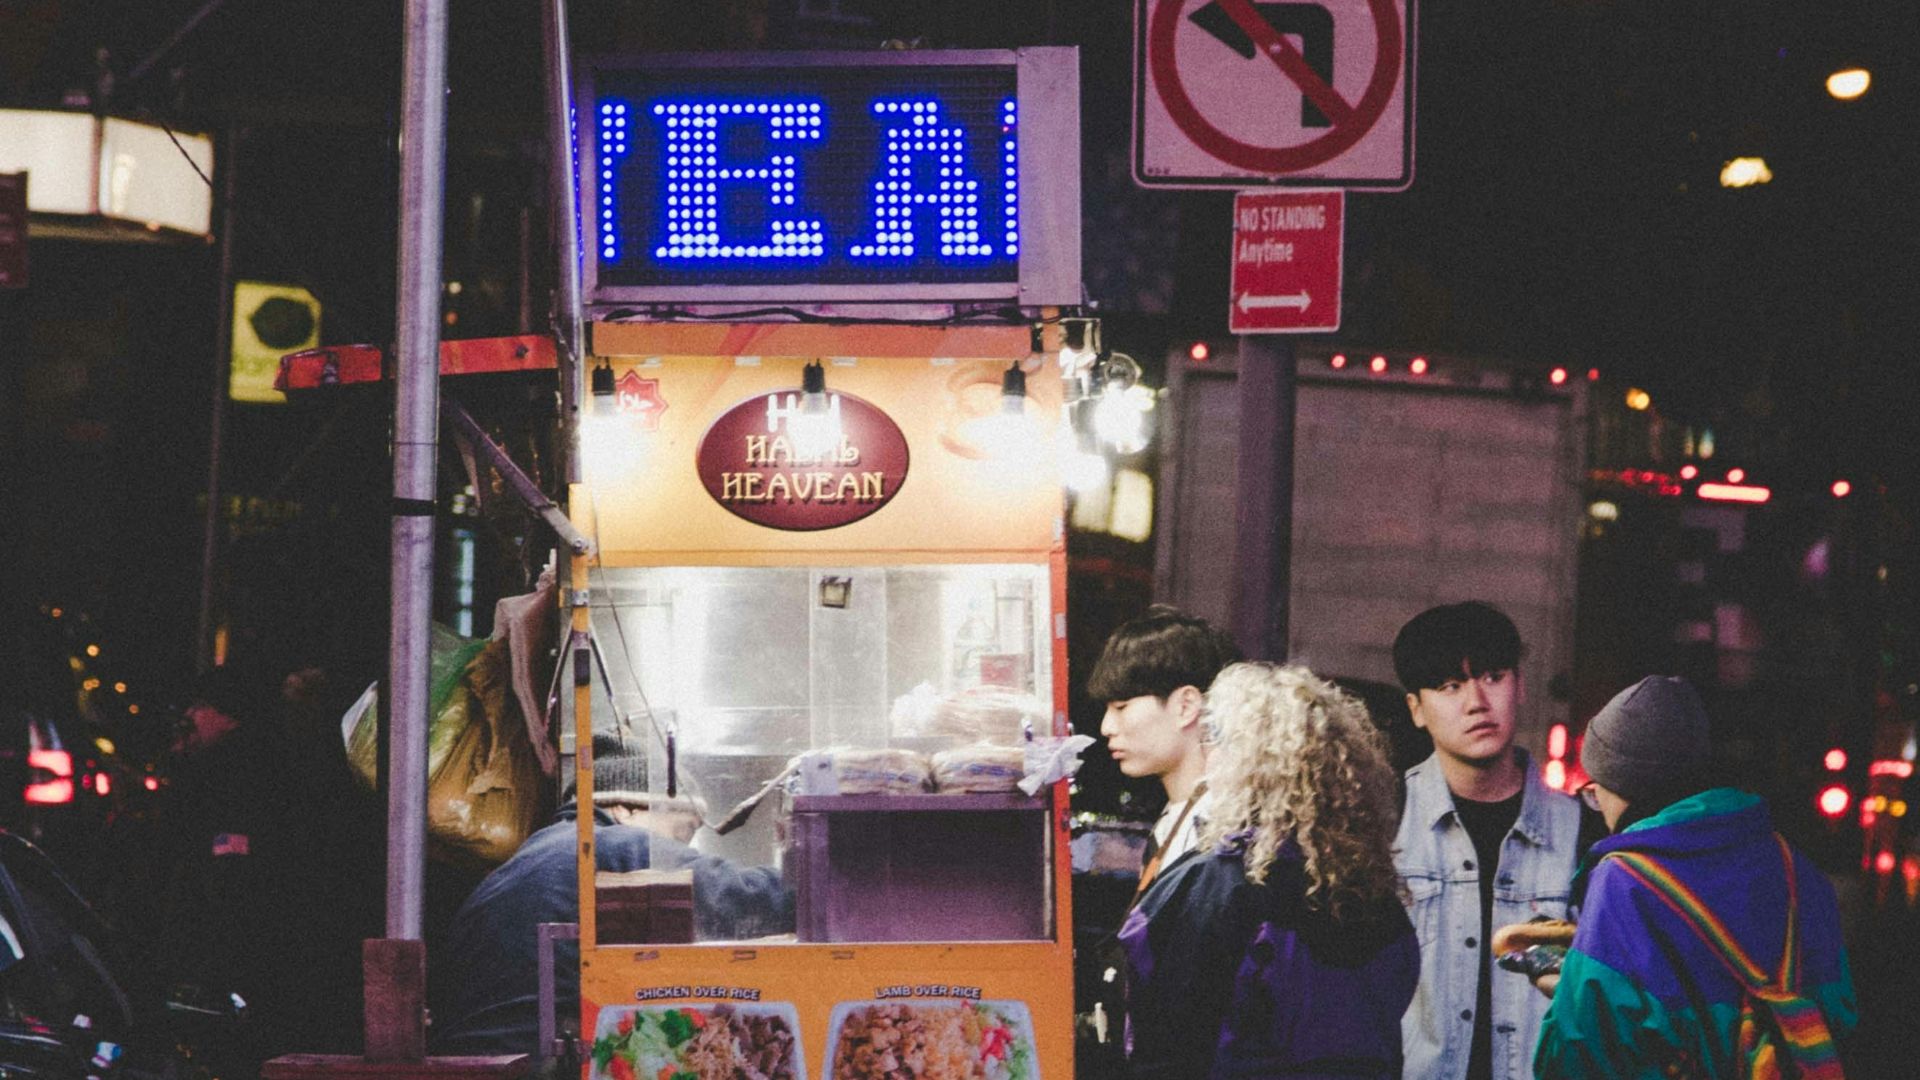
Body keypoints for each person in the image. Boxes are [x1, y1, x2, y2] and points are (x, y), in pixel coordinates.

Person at [1534, 676, 1857, 1079]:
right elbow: (1839, 1017)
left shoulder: (1623, 882)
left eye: (1594, 791)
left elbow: (1578, 1053)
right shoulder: (1795, 868)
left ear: (1620, 786)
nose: (1596, 804)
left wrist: (1562, 991)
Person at [1119, 663, 1418, 1079]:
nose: (1208, 757)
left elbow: (1164, 1034)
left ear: (1244, 761)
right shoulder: (1375, 894)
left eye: (1215, 740)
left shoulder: (1216, 883)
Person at [429, 733, 794, 1062]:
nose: (682, 848)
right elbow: (743, 901)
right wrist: (827, 884)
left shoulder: (520, 863)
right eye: (681, 832)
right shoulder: (609, 846)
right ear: (626, 809)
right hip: (536, 1064)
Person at [1390, 601, 1593, 1080]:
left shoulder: (1581, 830)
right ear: (1416, 710)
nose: (1476, 702)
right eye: (1449, 687)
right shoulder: (1386, 822)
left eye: (1492, 676)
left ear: (1519, 686)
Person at [1087, 605, 1241, 885]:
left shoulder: (1224, 839)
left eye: (1121, 707)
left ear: (1186, 705)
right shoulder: (1184, 817)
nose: (1106, 727)